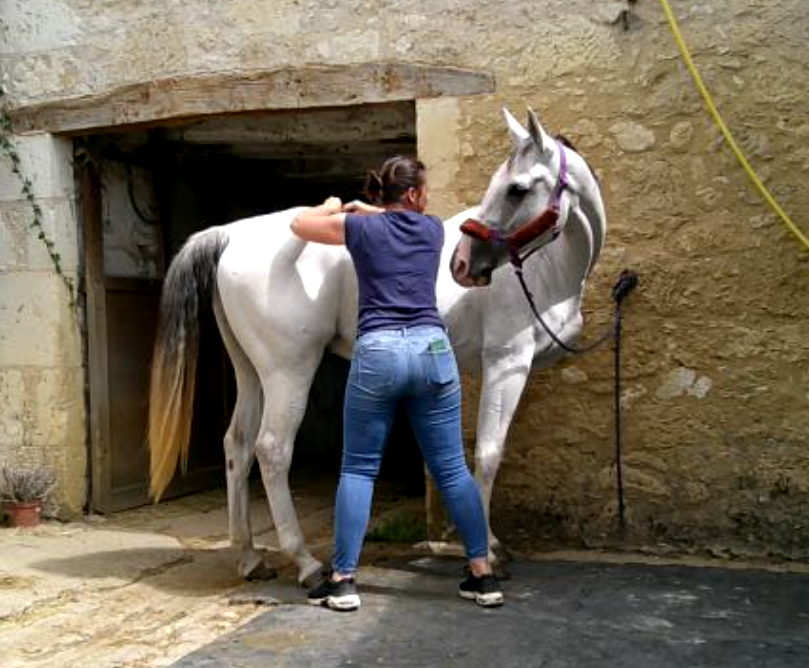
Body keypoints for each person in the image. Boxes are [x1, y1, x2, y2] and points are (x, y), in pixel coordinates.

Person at [290, 156, 503, 612]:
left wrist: (334, 205)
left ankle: (343, 581)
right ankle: (482, 575)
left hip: (379, 352)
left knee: (358, 469)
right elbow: (397, 219)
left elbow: (299, 225)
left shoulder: (360, 230)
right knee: (452, 469)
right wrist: (371, 210)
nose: (427, 196)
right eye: (424, 189)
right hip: (432, 351)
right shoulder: (433, 230)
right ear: (412, 195)